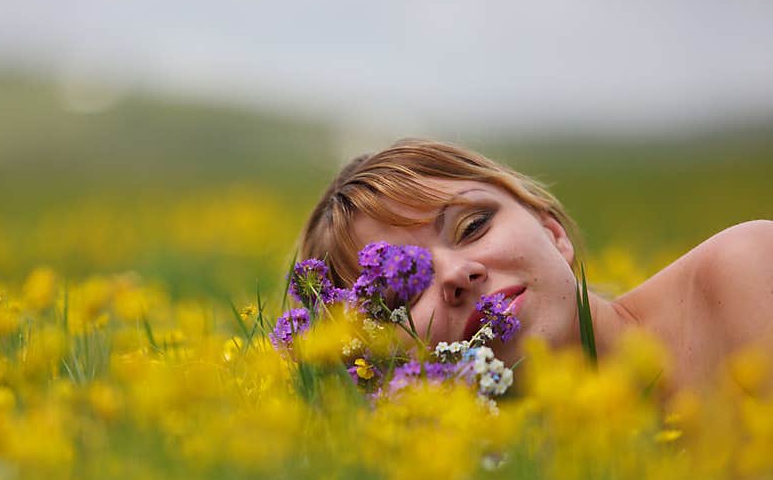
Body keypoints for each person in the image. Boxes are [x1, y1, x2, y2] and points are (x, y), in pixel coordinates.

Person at [297, 139, 773, 394]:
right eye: (402, 294)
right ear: (375, 362)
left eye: (473, 225)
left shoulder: (744, 270)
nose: (454, 275)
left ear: (553, 233)